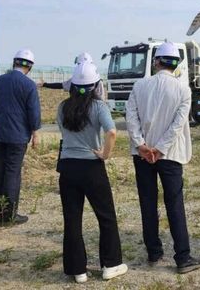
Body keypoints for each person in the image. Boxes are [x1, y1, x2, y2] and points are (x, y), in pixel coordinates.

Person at [125, 41, 200, 274]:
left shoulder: (140, 86)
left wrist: (141, 145)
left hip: (142, 155)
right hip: (170, 155)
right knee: (175, 205)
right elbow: (179, 124)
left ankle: (153, 252)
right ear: (176, 64)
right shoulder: (183, 89)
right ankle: (182, 257)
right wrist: (160, 149)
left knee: (147, 203)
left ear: (156, 61)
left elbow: (131, 117)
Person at [57, 60, 127, 283]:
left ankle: (78, 271)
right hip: (91, 166)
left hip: (67, 167)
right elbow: (112, 132)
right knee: (106, 216)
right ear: (95, 85)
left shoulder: (62, 107)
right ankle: (111, 264)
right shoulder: (98, 107)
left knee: (72, 219)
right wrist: (105, 154)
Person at [0, 49, 41, 226]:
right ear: (29, 66)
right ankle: (9, 215)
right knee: (12, 174)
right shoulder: (29, 85)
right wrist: (35, 133)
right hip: (18, 136)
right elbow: (33, 112)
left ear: (14, 62)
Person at [39, 52, 107, 101]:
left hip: (75, 110)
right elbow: (101, 100)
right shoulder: (98, 82)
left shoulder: (74, 81)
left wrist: (45, 84)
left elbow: (61, 85)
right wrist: (45, 84)